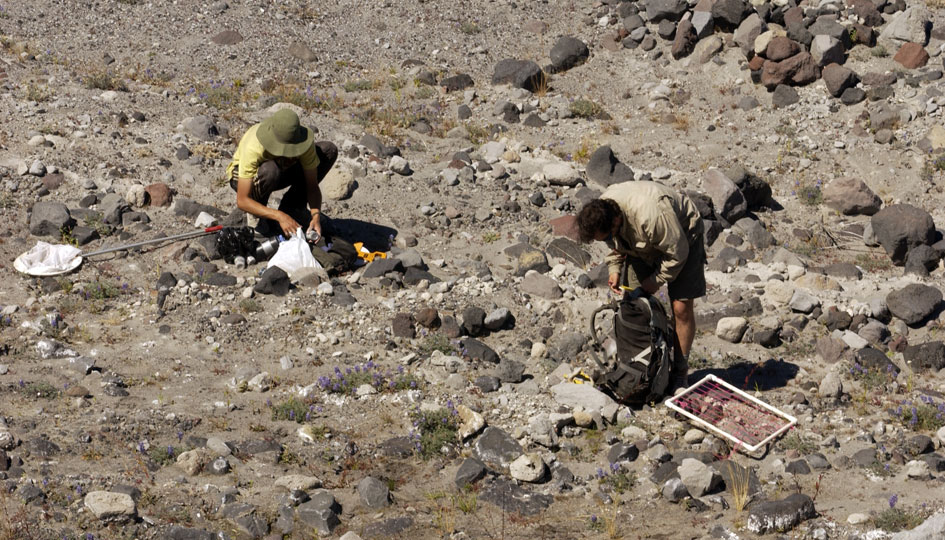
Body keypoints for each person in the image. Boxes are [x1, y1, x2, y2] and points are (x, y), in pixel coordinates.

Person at [576, 181, 706, 391]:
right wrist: (615, 269)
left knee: (681, 309)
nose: (608, 240)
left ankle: (680, 372)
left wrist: (655, 281)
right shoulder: (605, 213)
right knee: (634, 305)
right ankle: (642, 366)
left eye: (609, 235)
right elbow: (615, 245)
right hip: (639, 243)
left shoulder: (651, 214)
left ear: (616, 220)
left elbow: (678, 253)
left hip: (683, 237)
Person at [227, 108, 337, 239]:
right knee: (270, 170)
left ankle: (293, 208)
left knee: (327, 150)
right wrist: (279, 216)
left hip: (279, 172)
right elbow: (242, 200)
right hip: (245, 179)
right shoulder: (254, 145)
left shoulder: (304, 143)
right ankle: (257, 215)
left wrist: (316, 216)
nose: (289, 154)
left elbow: (312, 186)